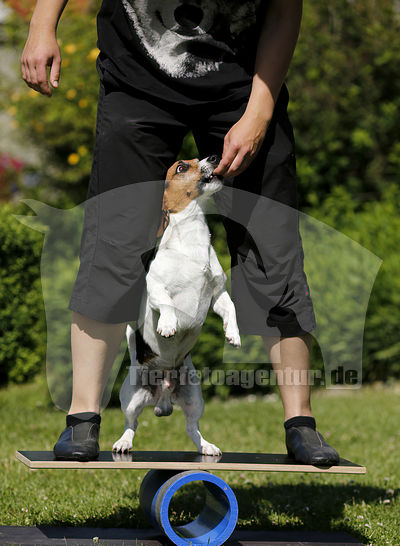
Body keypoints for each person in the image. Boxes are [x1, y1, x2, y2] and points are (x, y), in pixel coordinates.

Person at [21, 0, 339, 464]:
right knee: (114, 239)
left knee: (272, 246)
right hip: (137, 82)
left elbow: (284, 10)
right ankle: (83, 420)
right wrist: (42, 23)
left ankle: (301, 425)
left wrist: (258, 116)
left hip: (243, 87)